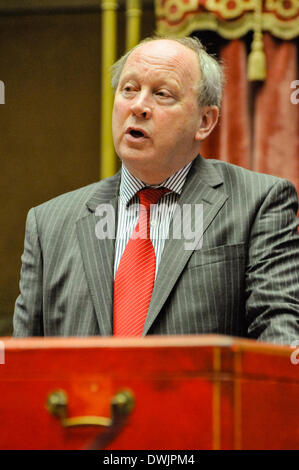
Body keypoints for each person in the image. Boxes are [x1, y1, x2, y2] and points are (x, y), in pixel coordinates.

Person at [13, 36, 299, 343]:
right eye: (129, 89)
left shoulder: (259, 204)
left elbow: (280, 342)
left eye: (162, 94)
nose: (138, 106)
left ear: (205, 121)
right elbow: (24, 366)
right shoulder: (49, 224)